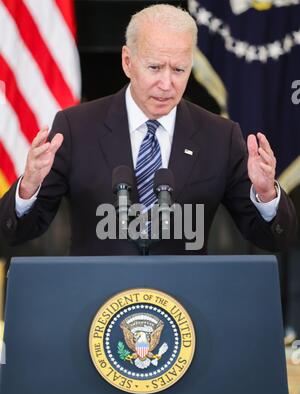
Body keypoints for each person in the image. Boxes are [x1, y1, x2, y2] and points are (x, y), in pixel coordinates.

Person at [0, 4, 297, 255]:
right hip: (96, 307)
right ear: (128, 62)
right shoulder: (75, 128)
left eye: (179, 70)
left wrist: (266, 194)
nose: (167, 84)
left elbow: (274, 239)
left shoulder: (220, 136)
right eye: (155, 68)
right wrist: (27, 188)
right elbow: (14, 233)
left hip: (185, 310)